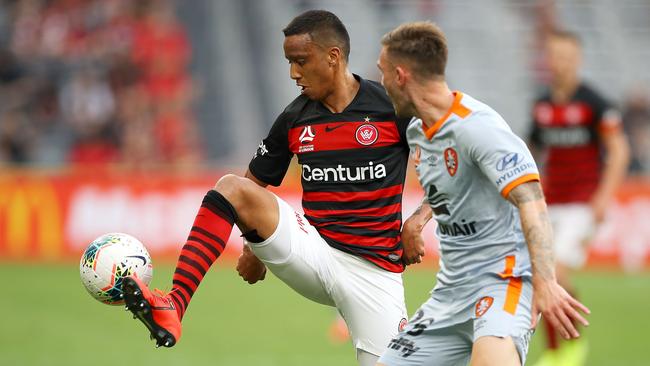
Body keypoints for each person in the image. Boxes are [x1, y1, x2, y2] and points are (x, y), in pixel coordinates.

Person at [121, 10, 417, 366]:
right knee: (231, 187)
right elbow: (253, 184)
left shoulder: (392, 108)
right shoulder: (295, 119)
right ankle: (174, 303)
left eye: (301, 61)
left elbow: (450, 158)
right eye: (290, 62)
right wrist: (253, 247)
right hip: (316, 253)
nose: (293, 73)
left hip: (375, 273)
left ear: (333, 57)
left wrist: (418, 220)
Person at [374, 22, 590, 365]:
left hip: (503, 283)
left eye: (383, 73)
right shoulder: (418, 131)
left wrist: (546, 282)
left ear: (400, 76)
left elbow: (531, 199)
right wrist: (418, 218)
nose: (381, 83)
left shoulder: (478, 127)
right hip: (449, 293)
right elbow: (451, 182)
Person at [528, 30, 630, 365]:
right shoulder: (542, 104)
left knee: (552, 272)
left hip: (583, 204)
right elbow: (530, 151)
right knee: (541, 275)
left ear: (578, 60)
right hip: (549, 203)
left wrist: (603, 197)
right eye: (556, 56)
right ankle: (564, 347)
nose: (562, 64)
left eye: (568, 57)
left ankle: (566, 350)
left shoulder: (594, 103)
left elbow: (619, 151)